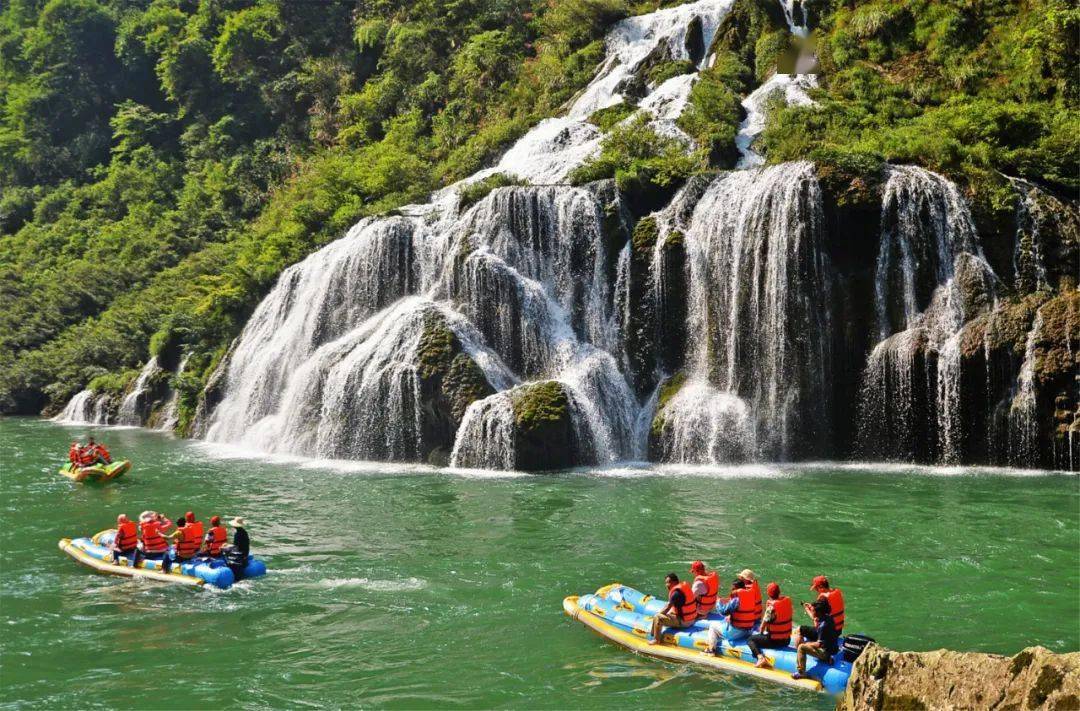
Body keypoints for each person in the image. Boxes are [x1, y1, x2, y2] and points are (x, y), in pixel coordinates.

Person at [747, 582, 794, 668]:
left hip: (775, 641)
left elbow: (762, 627)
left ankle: (760, 658)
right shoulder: (787, 601)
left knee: (750, 639)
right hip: (787, 640)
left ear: (768, 593)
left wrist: (760, 635)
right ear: (779, 592)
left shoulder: (771, 607)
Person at [706, 578, 759, 652]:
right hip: (749, 630)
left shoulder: (736, 599)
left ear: (737, 588)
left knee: (712, 626)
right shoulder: (750, 595)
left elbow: (723, 611)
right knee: (725, 621)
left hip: (737, 632)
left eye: (733, 588)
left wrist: (718, 602)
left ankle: (711, 650)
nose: (732, 590)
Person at [792, 598, 839, 680]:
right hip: (833, 648)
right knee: (805, 641)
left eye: (813, 610)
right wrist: (809, 608)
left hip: (826, 652)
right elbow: (815, 619)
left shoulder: (823, 626)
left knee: (801, 647)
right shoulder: (828, 618)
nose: (812, 611)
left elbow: (819, 644)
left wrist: (806, 644)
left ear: (818, 613)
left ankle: (801, 672)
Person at [648, 573, 697, 645]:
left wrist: (657, 617)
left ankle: (656, 639)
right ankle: (653, 632)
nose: (667, 585)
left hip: (684, 622)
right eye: (666, 583)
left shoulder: (676, 593)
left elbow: (666, 608)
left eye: (668, 582)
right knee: (665, 614)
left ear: (674, 582)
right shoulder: (683, 587)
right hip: (691, 619)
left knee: (658, 617)